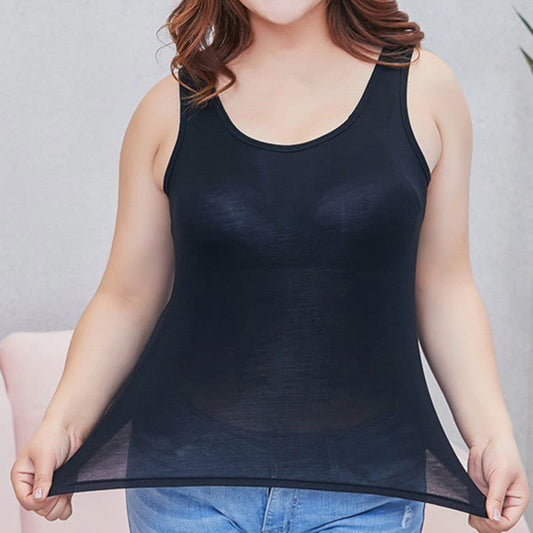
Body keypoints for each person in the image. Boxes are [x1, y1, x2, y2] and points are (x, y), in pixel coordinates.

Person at [10, 1, 529, 532]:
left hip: (369, 492)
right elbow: (127, 297)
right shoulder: (167, 109)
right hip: (187, 489)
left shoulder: (426, 91)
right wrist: (62, 426)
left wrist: (492, 438)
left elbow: (444, 287)